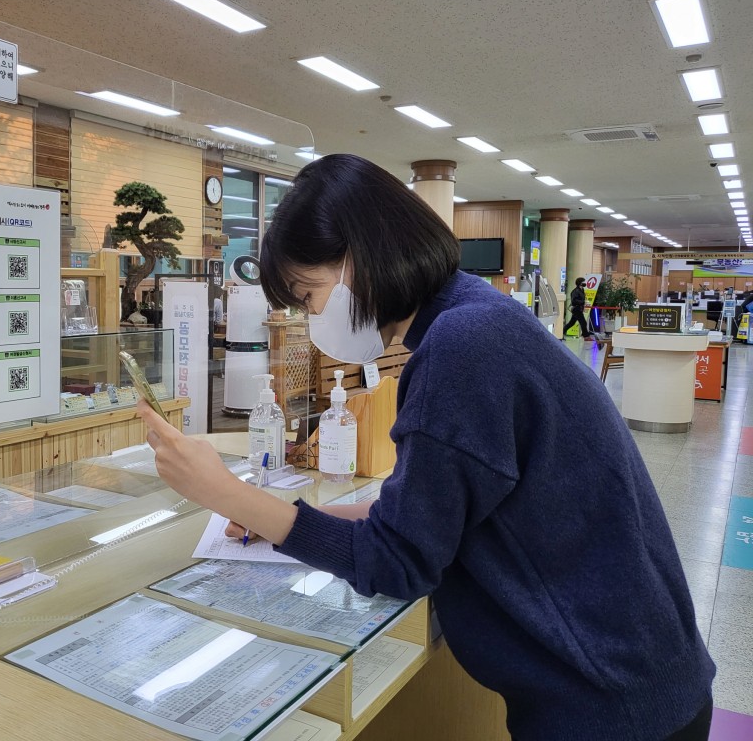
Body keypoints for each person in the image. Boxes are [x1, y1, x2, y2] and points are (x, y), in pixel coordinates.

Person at [137, 154, 714, 741]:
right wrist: (292, 519)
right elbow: (432, 515)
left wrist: (227, 493)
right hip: (635, 681)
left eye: (310, 294)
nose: (312, 316)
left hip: (609, 708)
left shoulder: (461, 347)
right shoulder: (477, 319)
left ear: (362, 257)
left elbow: (401, 561)